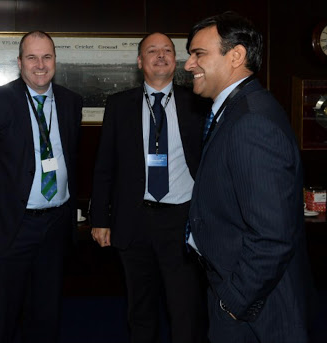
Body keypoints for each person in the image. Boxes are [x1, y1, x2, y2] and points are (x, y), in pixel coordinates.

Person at [184, 12, 317, 343]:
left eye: (198, 54)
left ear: (236, 56)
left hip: (255, 308)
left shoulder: (251, 121)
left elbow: (273, 236)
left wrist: (233, 301)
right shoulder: (238, 109)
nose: (188, 65)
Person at [0, 31, 82, 343]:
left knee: (46, 316)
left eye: (47, 57)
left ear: (55, 60)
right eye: (32, 57)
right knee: (1, 319)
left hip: (55, 226)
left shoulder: (70, 102)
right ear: (19, 62)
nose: (40, 65)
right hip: (10, 228)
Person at [90, 32, 209, 343]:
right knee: (140, 311)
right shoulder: (119, 105)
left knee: (185, 310)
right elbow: (104, 165)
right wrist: (100, 219)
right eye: (152, 51)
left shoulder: (197, 102)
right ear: (139, 61)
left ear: (176, 60)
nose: (160, 55)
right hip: (134, 221)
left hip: (182, 222)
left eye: (167, 50)